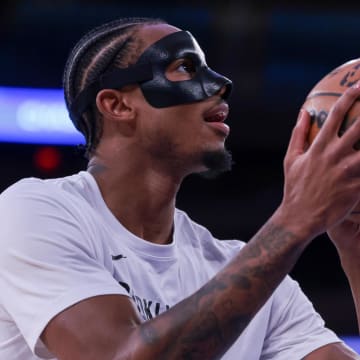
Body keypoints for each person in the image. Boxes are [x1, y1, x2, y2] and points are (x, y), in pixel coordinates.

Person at [1, 16, 360, 360]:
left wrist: (353, 247)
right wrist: (296, 219)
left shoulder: (245, 271)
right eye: (186, 67)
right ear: (117, 104)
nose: (221, 83)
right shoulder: (33, 211)